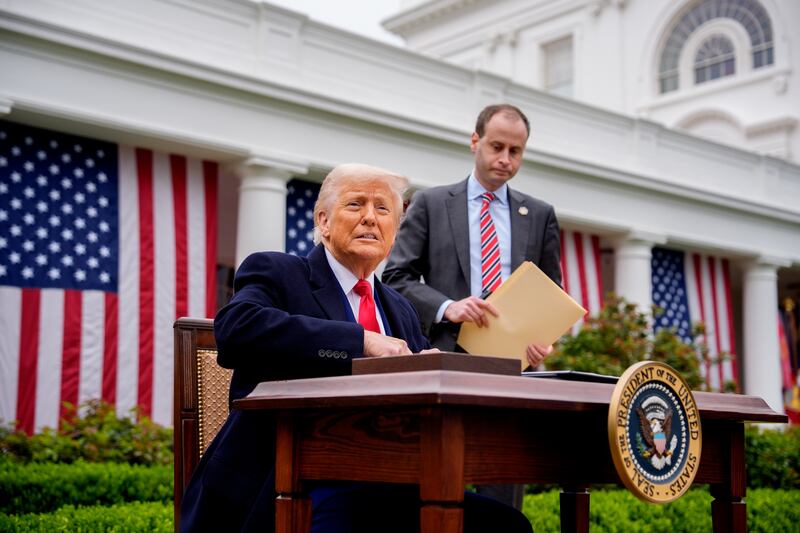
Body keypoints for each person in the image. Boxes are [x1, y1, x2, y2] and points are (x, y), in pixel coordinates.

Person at [179, 163, 533, 532]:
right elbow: (236, 329)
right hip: (289, 480)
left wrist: (431, 368)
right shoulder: (278, 272)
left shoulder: (402, 310)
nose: (370, 218)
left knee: (506, 525)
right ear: (323, 221)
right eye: (355, 204)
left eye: (382, 209)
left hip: (391, 480)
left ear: (394, 231)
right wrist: (361, 340)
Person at [382, 103, 562, 508]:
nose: (505, 159)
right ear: (475, 141)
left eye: (515, 151)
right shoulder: (430, 203)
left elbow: (550, 293)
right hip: (445, 359)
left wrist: (543, 339)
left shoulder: (540, 214)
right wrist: (447, 306)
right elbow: (396, 277)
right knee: (443, 484)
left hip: (512, 366)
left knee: (503, 489)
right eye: (497, 147)